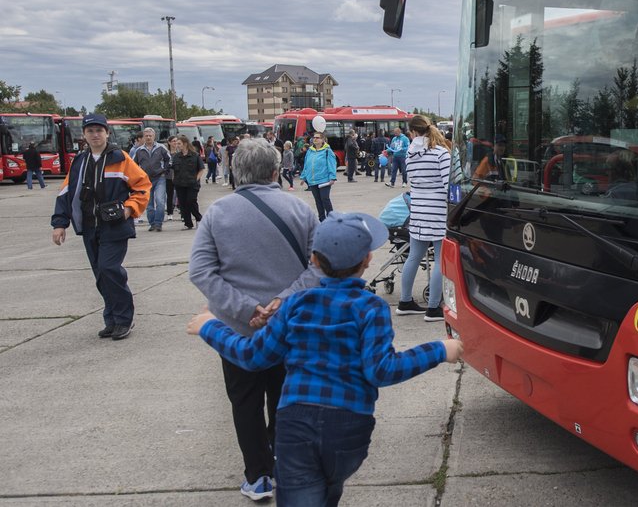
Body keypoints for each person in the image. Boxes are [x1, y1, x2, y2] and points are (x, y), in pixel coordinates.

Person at [187, 210, 463, 507]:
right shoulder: (371, 308)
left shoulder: (295, 305)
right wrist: (439, 350)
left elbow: (252, 356)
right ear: (368, 259)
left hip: (295, 424)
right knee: (327, 491)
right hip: (349, 429)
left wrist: (209, 326)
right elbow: (381, 370)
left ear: (314, 260)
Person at [188, 138, 321, 503]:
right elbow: (319, 268)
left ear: (235, 171)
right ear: (276, 172)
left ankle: (258, 476)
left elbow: (201, 271)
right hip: (289, 326)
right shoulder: (301, 209)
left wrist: (247, 309)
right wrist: (283, 301)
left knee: (245, 401)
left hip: (238, 330)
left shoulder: (218, 213)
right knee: (284, 396)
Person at [51, 114, 150, 340]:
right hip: (89, 226)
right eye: (90, 131)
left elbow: (143, 186)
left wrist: (129, 209)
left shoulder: (121, 158)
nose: (95, 135)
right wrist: (59, 223)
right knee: (100, 274)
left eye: (99, 130)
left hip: (115, 226)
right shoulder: (79, 161)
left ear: (107, 133)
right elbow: (66, 193)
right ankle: (112, 319)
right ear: (84, 135)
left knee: (109, 269)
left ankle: (124, 319)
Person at [395, 116, 451, 321]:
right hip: (437, 213)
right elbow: (449, 186)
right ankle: (433, 307)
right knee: (439, 261)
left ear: (412, 132)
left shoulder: (410, 154)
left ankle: (405, 301)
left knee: (413, 257)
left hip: (418, 212)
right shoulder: (441, 153)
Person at [133, 128, 171, 232]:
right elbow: (133, 165)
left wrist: (164, 170)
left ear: (154, 136)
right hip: (145, 180)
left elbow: (169, 159)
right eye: (146, 136)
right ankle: (152, 223)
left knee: (160, 201)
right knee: (148, 204)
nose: (148, 137)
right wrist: (138, 176)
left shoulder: (161, 147)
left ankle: (158, 223)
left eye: (150, 135)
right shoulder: (139, 150)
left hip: (160, 178)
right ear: (143, 137)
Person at [300, 132, 337, 221]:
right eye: (314, 137)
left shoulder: (327, 151)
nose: (315, 139)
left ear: (323, 139)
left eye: (317, 137)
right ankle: (321, 220)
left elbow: (332, 164)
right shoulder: (310, 151)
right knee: (318, 201)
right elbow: (306, 164)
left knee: (325, 199)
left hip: (324, 180)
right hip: (312, 180)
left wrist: (332, 177)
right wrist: (303, 177)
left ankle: (332, 219)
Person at [172, 135, 205, 230]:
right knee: (183, 204)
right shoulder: (176, 157)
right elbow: (173, 170)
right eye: (176, 144)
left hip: (192, 183)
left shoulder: (195, 155)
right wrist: (174, 180)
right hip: (180, 183)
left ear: (185, 144)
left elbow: (201, 169)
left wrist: (196, 179)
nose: (177, 145)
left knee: (191, 201)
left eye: (179, 143)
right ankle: (188, 223)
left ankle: (199, 219)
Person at [165, 136, 179, 221]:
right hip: (169, 177)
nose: (175, 143)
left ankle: (181, 210)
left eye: (176, 141)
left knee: (180, 194)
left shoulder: (179, 153)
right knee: (170, 195)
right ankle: (170, 212)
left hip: (178, 176)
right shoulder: (166, 153)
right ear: (169, 142)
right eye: (173, 141)